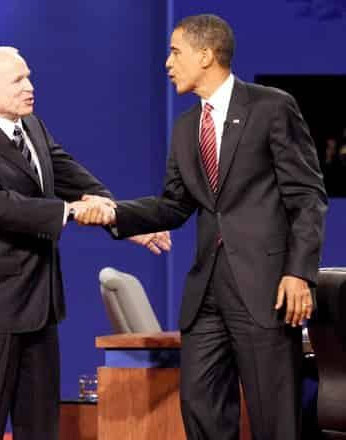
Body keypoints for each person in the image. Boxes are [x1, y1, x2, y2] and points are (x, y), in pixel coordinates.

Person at [77, 14, 327, 440]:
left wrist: (298, 272)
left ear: (206, 55)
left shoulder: (271, 107)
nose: (167, 63)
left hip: (266, 289)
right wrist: (115, 213)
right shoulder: (185, 127)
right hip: (206, 294)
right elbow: (175, 205)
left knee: (274, 417)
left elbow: (307, 197)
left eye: (176, 52)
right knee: (200, 407)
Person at [0, 46, 170, 440]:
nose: (30, 86)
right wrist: (69, 212)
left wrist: (123, 219)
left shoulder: (32, 126)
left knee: (41, 427)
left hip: (40, 306)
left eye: (28, 76)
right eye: (18, 80)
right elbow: (1, 207)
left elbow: (72, 176)